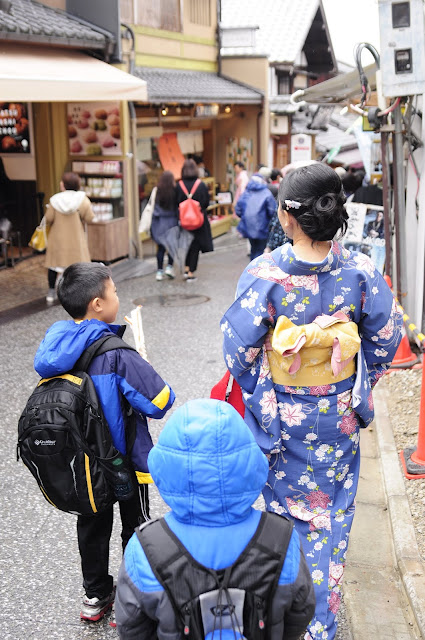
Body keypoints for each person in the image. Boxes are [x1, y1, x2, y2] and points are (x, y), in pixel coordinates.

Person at [221, 163, 403, 640]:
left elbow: (238, 349)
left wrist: (266, 396)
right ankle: (318, 620)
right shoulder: (361, 270)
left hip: (283, 417)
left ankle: (274, 615)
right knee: (330, 517)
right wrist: (355, 393)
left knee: (279, 515)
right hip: (337, 420)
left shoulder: (264, 274)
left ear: (286, 217)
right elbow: (386, 339)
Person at [33, 262, 175, 622]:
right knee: (134, 525)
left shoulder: (55, 345)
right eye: (114, 292)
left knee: (92, 527)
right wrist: (141, 364)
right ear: (97, 303)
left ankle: (95, 597)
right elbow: (160, 400)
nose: (117, 297)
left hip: (79, 462)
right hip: (119, 460)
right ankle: (130, 598)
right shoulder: (115, 352)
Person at [115, 398, 316, 640]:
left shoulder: (145, 547)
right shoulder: (282, 539)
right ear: (251, 462)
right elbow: (300, 612)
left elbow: (132, 628)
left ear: (164, 467)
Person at [44, 172, 94, 303]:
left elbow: (48, 219)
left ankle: (51, 292)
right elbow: (89, 217)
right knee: (78, 267)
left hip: (58, 239)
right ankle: (79, 294)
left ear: (64, 184)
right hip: (76, 239)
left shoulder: (55, 200)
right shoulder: (82, 199)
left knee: (54, 266)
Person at [176, 158, 213, 282]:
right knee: (195, 246)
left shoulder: (178, 185)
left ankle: (186, 268)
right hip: (198, 221)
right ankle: (191, 271)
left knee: (185, 244)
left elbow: (175, 203)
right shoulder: (200, 185)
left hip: (183, 221)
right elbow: (206, 203)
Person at [235, 172, 276, 260]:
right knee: (261, 250)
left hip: (248, 227)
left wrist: (244, 217)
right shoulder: (266, 193)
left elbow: (238, 210)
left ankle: (252, 268)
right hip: (263, 227)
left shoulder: (246, 192)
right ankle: (258, 269)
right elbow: (272, 211)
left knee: (253, 248)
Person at [150, 170, 178, 281]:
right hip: (172, 221)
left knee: (160, 248)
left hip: (160, 222)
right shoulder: (175, 191)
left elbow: (154, 207)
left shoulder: (157, 191)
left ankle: (159, 271)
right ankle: (169, 267)